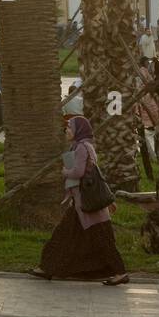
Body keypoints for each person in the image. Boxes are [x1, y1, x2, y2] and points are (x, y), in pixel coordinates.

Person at [29, 116, 129, 285]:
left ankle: (120, 273)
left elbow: (79, 172)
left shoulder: (82, 147)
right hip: (80, 204)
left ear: (78, 130)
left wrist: (65, 171)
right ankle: (46, 268)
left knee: (102, 239)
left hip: (88, 204)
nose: (66, 131)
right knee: (62, 236)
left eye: (69, 128)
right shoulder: (82, 146)